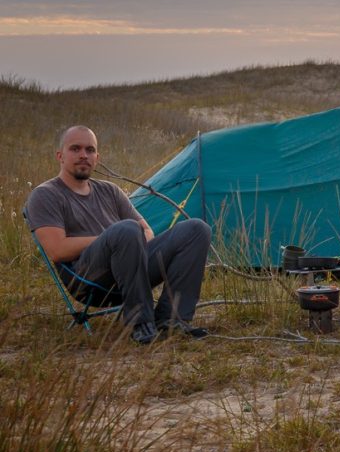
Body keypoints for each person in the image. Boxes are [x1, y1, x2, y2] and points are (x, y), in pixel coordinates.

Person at [26, 125, 212, 344]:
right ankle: (140, 323)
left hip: (132, 268)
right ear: (60, 155)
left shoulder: (110, 190)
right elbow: (57, 250)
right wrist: (111, 239)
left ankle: (172, 320)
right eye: (75, 149)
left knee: (196, 229)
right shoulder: (45, 194)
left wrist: (127, 244)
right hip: (88, 280)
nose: (83, 155)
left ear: (97, 157)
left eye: (90, 150)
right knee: (126, 229)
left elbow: (147, 231)